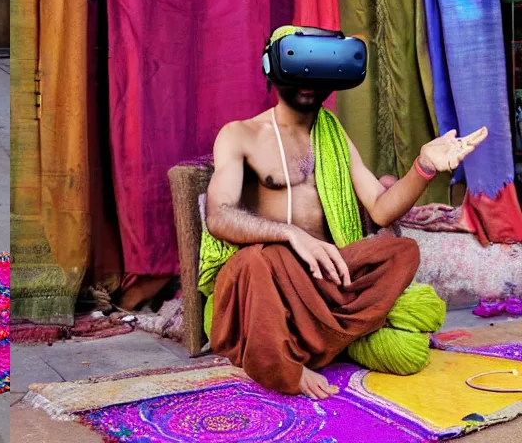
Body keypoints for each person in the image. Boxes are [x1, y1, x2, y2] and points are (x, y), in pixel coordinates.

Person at [202, 26, 489, 399]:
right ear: (272, 67)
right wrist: (291, 234)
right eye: (300, 64)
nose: (310, 81)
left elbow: (381, 210)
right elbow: (218, 217)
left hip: (330, 277)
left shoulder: (332, 133)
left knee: (402, 251)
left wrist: (424, 165)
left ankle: (317, 334)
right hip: (271, 280)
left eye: (322, 67)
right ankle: (296, 356)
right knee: (255, 263)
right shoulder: (239, 134)